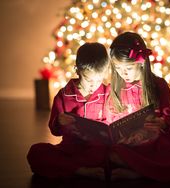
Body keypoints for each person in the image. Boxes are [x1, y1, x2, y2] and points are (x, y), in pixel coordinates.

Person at [106, 32, 170, 182]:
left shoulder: (158, 85)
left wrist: (163, 122)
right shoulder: (114, 89)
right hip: (130, 147)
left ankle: (139, 172)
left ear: (141, 62)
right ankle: (150, 171)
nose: (123, 73)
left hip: (157, 145)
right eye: (118, 68)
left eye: (128, 67)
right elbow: (110, 121)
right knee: (112, 154)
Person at [27, 42, 110, 179]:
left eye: (98, 80)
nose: (93, 85)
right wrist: (59, 121)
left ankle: (70, 168)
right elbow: (55, 131)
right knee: (36, 153)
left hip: (98, 151)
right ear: (77, 70)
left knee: (116, 154)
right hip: (71, 150)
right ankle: (80, 170)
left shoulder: (108, 93)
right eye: (88, 80)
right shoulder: (64, 95)